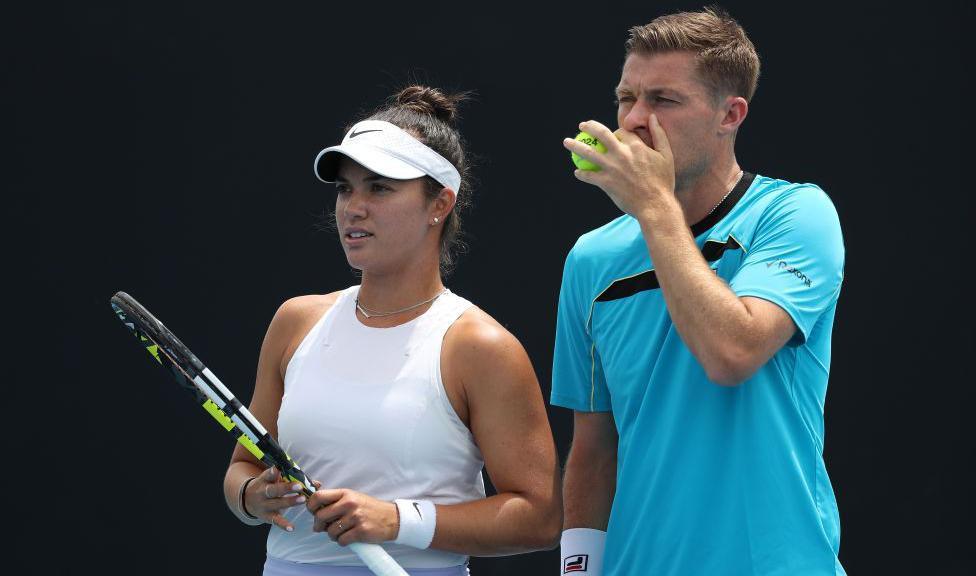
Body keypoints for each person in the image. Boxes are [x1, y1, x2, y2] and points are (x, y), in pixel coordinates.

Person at [222, 86, 562, 575]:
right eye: (345, 188)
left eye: (379, 187)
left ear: (439, 204)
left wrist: (399, 520)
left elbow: (539, 518)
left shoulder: (478, 346)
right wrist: (253, 498)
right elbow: (242, 469)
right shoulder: (295, 321)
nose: (352, 207)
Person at [554, 8, 846, 576]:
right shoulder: (590, 260)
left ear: (729, 114)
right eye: (626, 98)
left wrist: (654, 206)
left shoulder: (796, 214)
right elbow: (593, 449)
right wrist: (579, 571)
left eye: (664, 100)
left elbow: (732, 353)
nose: (635, 121)